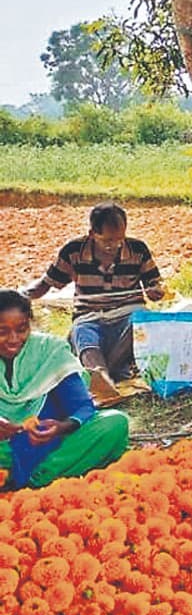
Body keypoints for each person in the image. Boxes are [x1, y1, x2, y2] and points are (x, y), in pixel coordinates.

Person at [22, 202, 163, 402]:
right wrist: (19, 297)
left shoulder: (138, 249)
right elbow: (46, 284)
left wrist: (156, 290)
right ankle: (103, 377)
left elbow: (155, 283)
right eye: (107, 241)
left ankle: (104, 377)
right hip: (89, 315)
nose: (114, 246)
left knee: (143, 322)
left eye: (119, 239)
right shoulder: (73, 251)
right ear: (91, 234)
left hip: (128, 315)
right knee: (83, 333)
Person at [0, 290, 128, 490]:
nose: (14, 339)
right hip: (5, 449)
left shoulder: (49, 352)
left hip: (52, 445)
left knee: (115, 423)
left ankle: (40, 477)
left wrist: (61, 427)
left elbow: (83, 408)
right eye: (2, 332)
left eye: (22, 329)